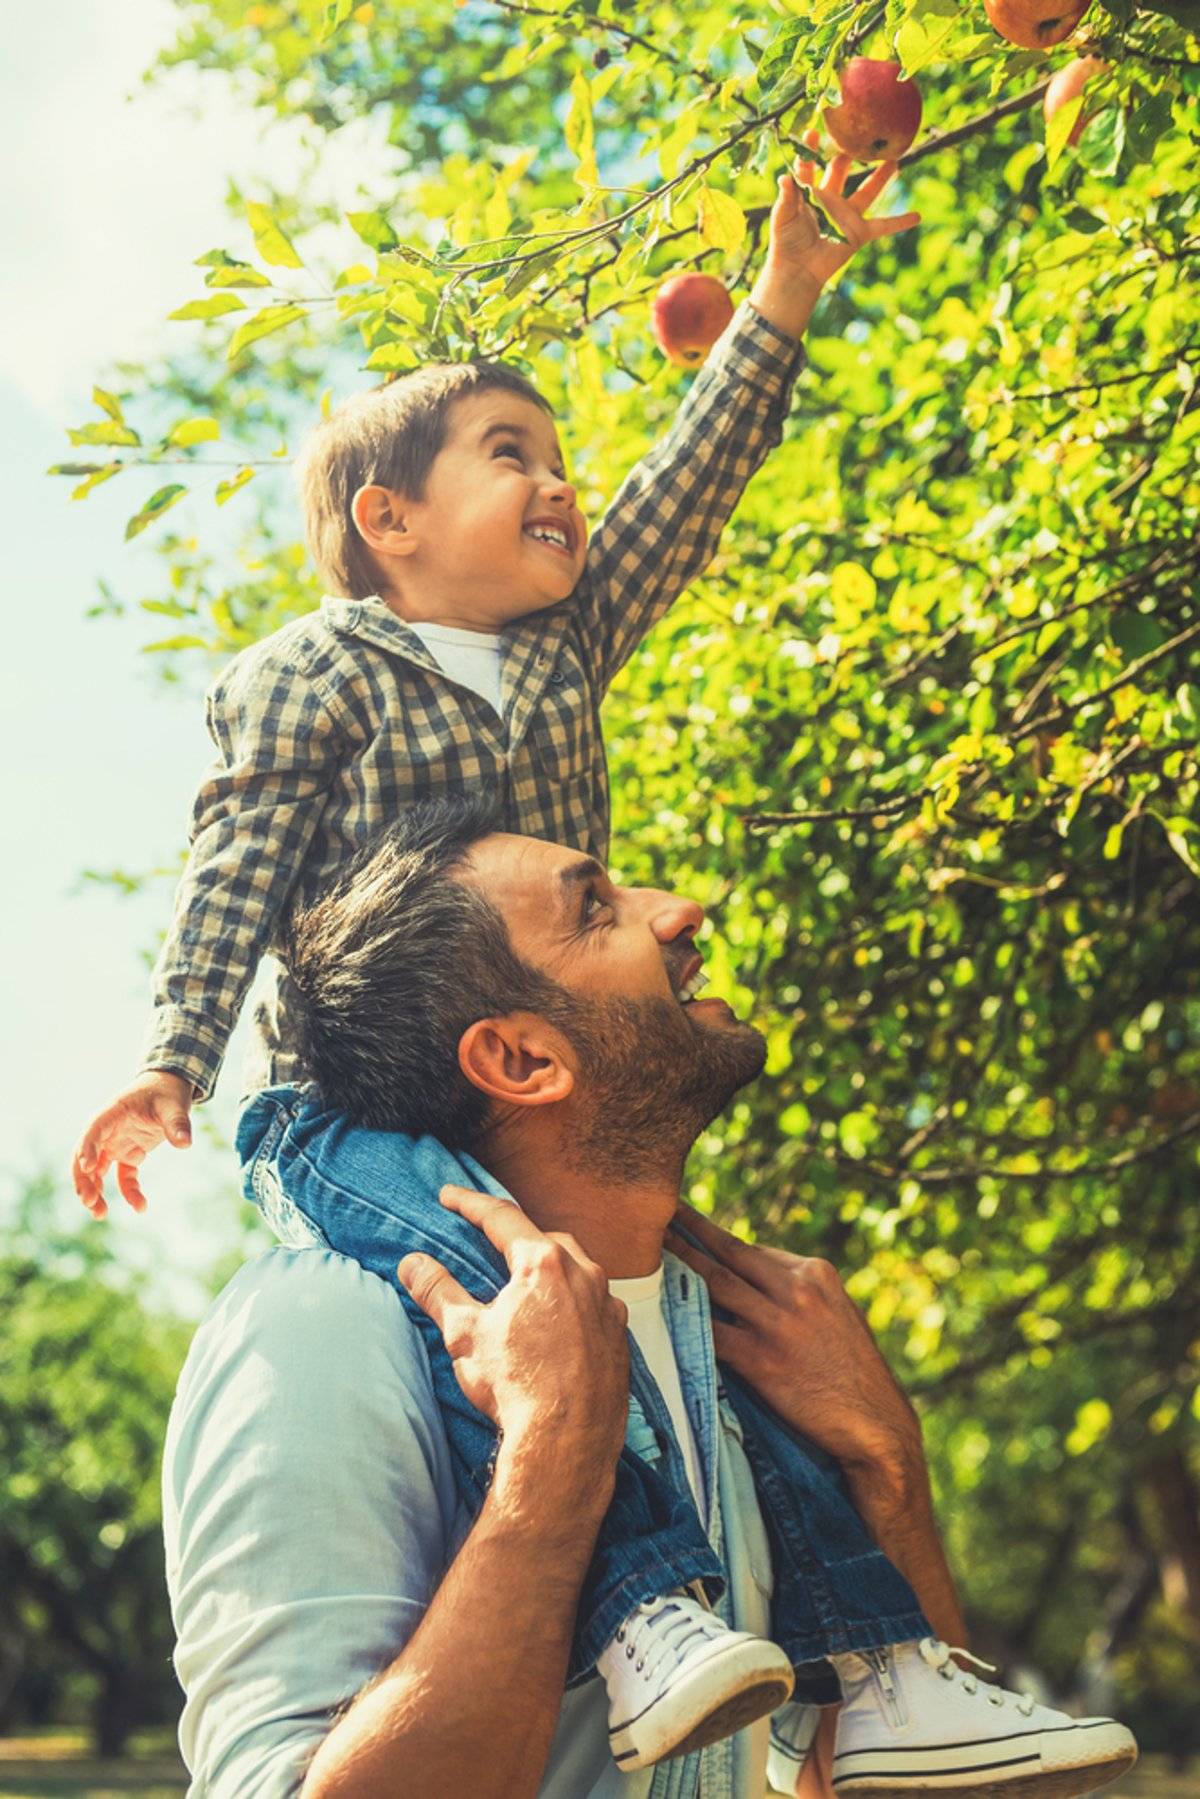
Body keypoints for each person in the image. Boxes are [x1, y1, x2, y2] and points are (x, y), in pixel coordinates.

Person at [76, 151, 931, 1763]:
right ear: (386, 520)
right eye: (509, 453)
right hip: (359, 1111)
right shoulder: (311, 676)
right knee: (490, 1287)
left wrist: (781, 302)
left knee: (739, 1346)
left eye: (559, 456)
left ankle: (875, 1660)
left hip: (526, 1088)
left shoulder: (563, 638)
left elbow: (691, 484)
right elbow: (238, 867)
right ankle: (639, 1600)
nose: (564, 483)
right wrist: (172, 1056)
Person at [163, 796, 1139, 1799]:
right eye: (597, 909)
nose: (680, 909)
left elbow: (876, 1783)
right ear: (523, 1058)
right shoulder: (321, 1325)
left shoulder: (747, 1350)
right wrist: (551, 1464)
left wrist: (887, 1462)